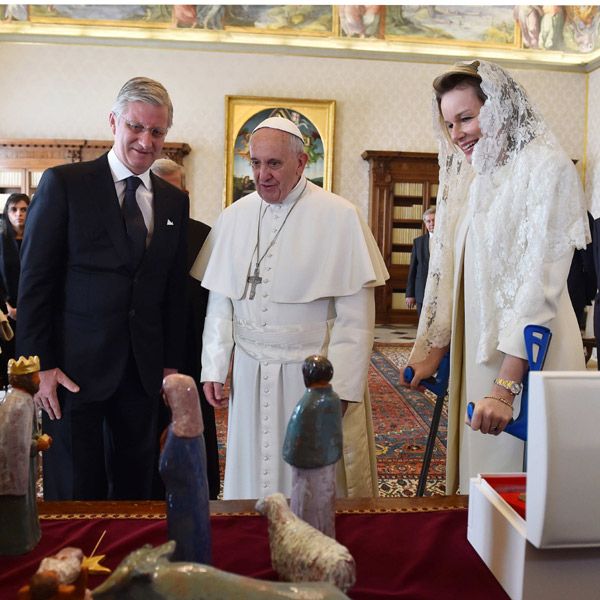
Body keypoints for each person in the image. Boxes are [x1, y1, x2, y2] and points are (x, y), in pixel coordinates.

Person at [403, 60, 589, 494]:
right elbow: (460, 273)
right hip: (480, 355)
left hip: (530, 354)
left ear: (501, 108)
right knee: (479, 484)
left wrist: (506, 387)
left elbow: (539, 285)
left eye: (467, 118)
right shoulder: (477, 176)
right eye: (450, 124)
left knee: (521, 491)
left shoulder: (547, 167)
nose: (457, 134)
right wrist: (436, 349)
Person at [192, 116, 388, 500]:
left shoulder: (339, 215)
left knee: (310, 481)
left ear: (301, 163)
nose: (262, 175)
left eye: (274, 164)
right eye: (256, 163)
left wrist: (344, 388)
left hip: (310, 378)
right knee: (251, 473)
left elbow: (356, 319)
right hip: (249, 373)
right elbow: (220, 302)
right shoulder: (234, 217)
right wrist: (214, 366)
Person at [16, 77, 189, 501]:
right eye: (136, 127)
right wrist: (43, 367)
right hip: (72, 375)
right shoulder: (65, 184)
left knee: (138, 493)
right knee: (75, 492)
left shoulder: (173, 201)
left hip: (142, 374)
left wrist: (171, 365)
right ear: (113, 122)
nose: (146, 141)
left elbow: (173, 291)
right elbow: (35, 283)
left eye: (157, 131)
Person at [151, 157, 220, 499]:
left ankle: (200, 493)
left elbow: (215, 305)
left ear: (185, 193)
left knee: (195, 424)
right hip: (145, 350)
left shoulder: (204, 235)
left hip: (193, 351)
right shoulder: (133, 228)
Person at [0, 193, 29, 384]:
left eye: (24, 209)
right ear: (7, 213)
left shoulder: (37, 238)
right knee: (8, 356)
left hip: (32, 307)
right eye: (14, 209)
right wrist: (7, 306)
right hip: (6, 309)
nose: (19, 214)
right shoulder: (0, 241)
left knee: (29, 355)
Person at [405, 206, 435, 315]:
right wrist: (410, 294)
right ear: (425, 224)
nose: (432, 223)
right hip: (421, 291)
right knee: (423, 328)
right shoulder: (418, 242)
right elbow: (412, 269)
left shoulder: (448, 242)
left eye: (434, 220)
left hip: (441, 292)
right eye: (428, 221)